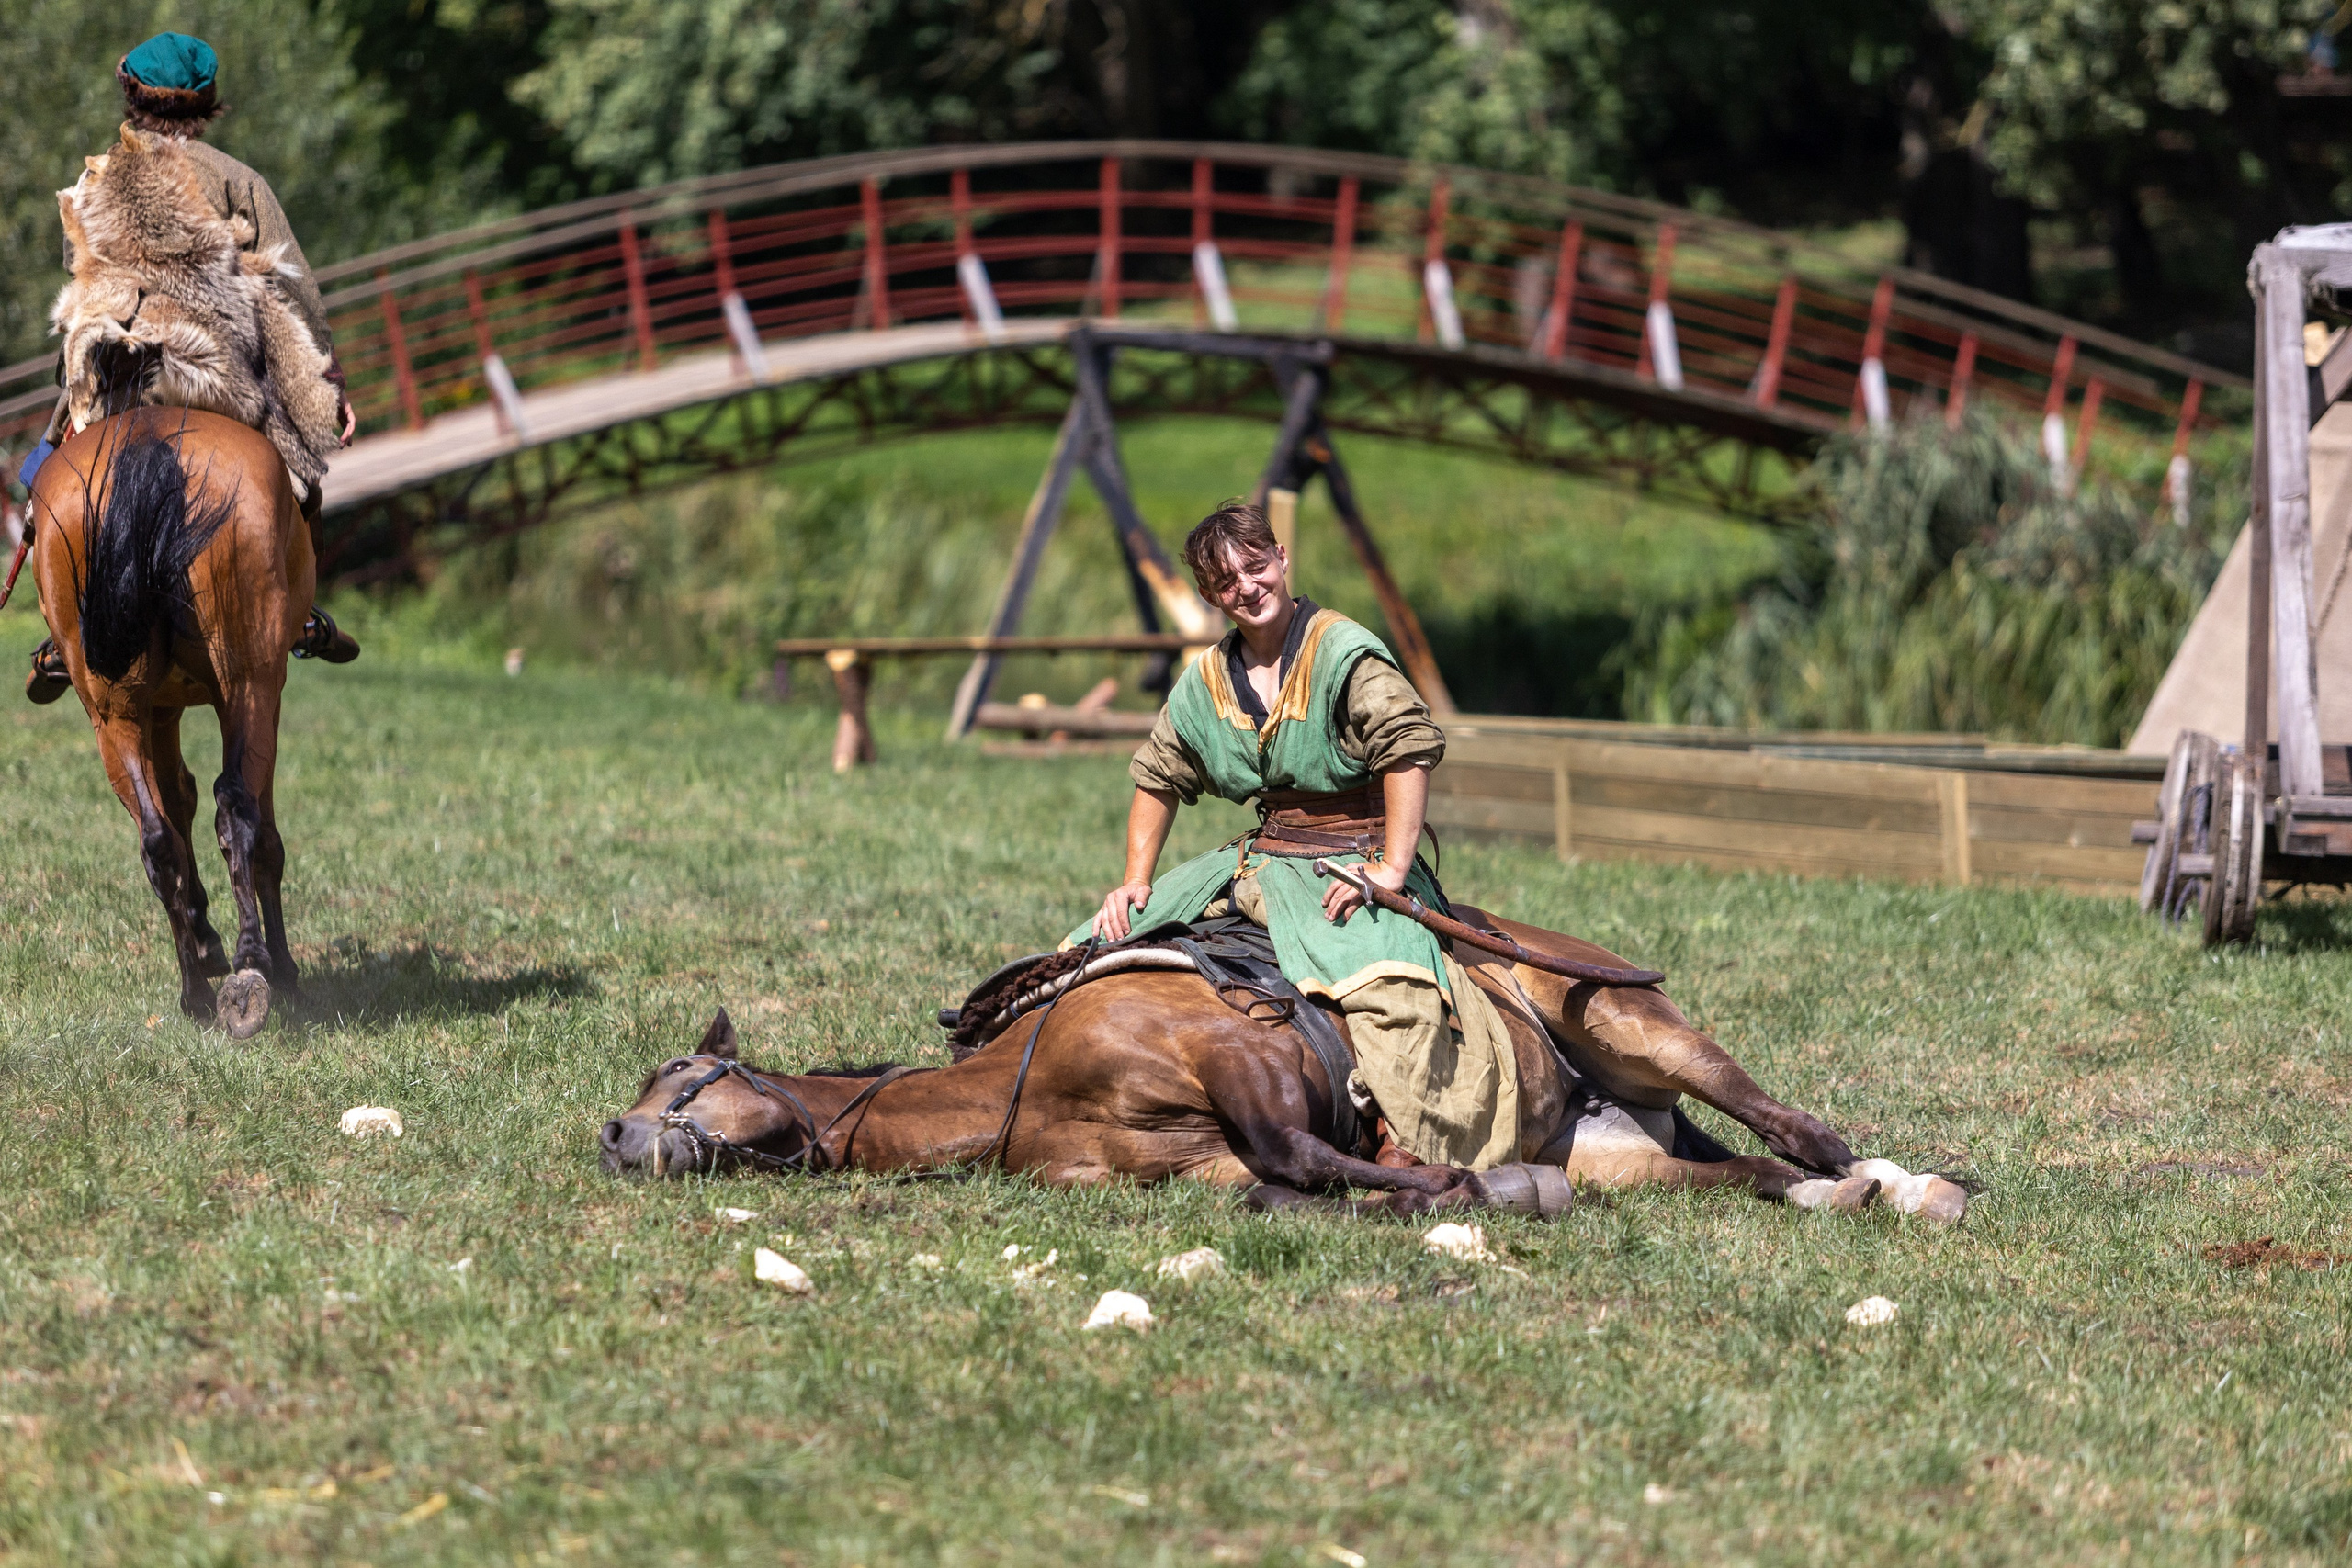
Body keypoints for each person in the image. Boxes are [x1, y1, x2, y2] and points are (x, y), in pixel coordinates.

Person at [1074, 501, 1522, 1171]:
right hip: (1265, 854)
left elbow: (1406, 747)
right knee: (1098, 944)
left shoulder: (1342, 651)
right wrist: (1136, 878)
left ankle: (1414, 1136)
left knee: (1390, 990)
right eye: (1228, 583)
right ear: (1209, 595)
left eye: (1257, 568)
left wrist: (1392, 870)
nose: (1248, 589)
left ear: (1282, 560)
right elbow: (1157, 773)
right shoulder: (1206, 679)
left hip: (1357, 854)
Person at [22, 32, 357, 705]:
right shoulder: (240, 180)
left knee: (54, 476)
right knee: (296, 474)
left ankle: (61, 637)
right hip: (215, 372)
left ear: (131, 97)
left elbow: (77, 269)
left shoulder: (95, 178)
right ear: (207, 104)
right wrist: (325, 378)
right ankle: (297, 614)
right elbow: (294, 286)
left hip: (121, 368)